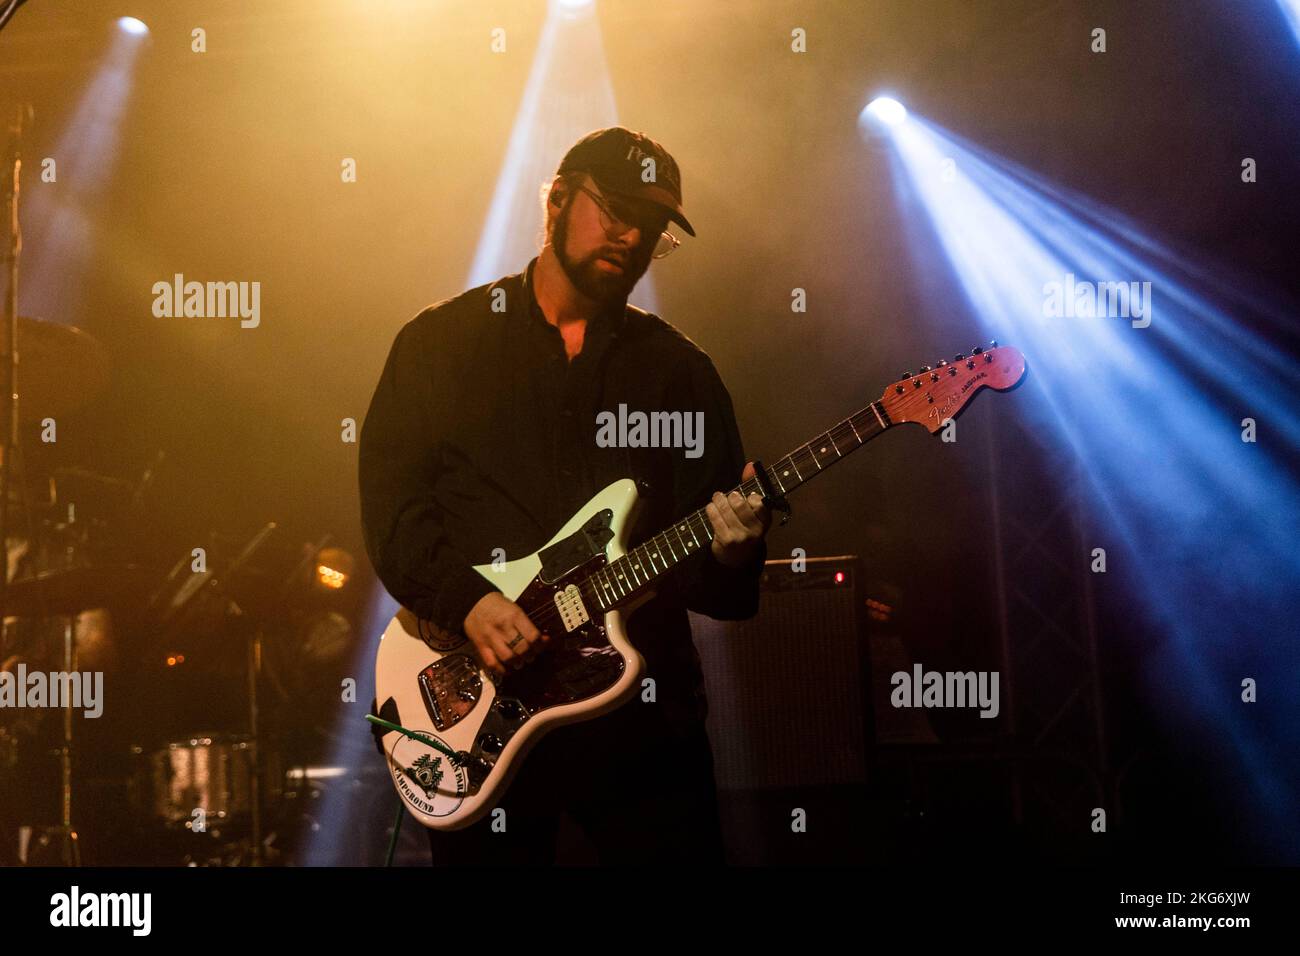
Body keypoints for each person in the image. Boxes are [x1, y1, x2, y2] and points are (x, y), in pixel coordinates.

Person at [359, 126, 771, 865]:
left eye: (650, 227)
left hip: (643, 725)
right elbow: (393, 513)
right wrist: (468, 601)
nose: (632, 235)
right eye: (613, 209)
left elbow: (716, 585)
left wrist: (737, 552)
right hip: (482, 704)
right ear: (555, 201)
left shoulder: (681, 375)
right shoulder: (437, 346)